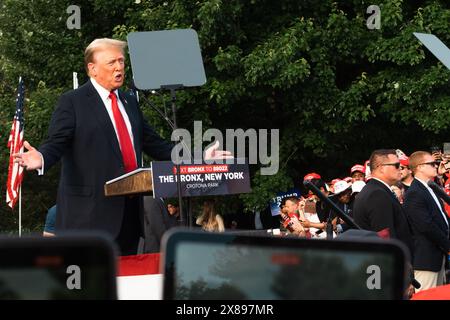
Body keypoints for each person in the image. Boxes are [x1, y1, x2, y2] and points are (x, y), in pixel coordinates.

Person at [13, 38, 230, 255]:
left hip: (128, 217)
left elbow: (157, 145)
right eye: (111, 63)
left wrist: (199, 156)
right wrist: (41, 157)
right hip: (87, 218)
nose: (119, 68)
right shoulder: (73, 102)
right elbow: (56, 142)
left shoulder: (129, 101)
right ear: (92, 68)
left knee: (123, 284)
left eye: (121, 61)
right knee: (92, 285)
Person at [403, 151, 450, 291]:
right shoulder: (414, 193)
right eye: (432, 163)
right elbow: (426, 226)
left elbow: (442, 217)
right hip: (426, 259)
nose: (436, 166)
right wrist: (448, 245)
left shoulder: (430, 188)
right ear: (419, 167)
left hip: (437, 255)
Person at [353, 149, 414, 254]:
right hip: (386, 263)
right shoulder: (377, 194)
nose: (400, 168)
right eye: (396, 165)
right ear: (381, 168)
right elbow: (385, 236)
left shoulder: (376, 190)